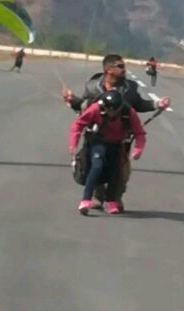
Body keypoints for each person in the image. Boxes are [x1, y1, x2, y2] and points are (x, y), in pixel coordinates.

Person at [63, 54, 168, 206]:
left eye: (123, 66)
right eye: (120, 66)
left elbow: (139, 104)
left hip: (121, 137)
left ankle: (115, 197)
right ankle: (97, 194)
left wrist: (157, 104)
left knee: (119, 169)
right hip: (96, 135)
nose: (124, 69)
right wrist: (72, 100)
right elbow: (84, 107)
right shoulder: (92, 86)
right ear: (108, 69)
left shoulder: (130, 88)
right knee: (95, 164)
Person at [70, 90, 146, 215]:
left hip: (116, 144)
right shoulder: (95, 108)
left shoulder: (128, 112)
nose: (111, 113)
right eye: (108, 109)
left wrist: (138, 149)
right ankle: (86, 200)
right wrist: (73, 144)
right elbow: (78, 124)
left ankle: (111, 201)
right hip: (97, 141)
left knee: (114, 171)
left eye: (114, 110)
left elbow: (139, 133)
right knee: (97, 166)